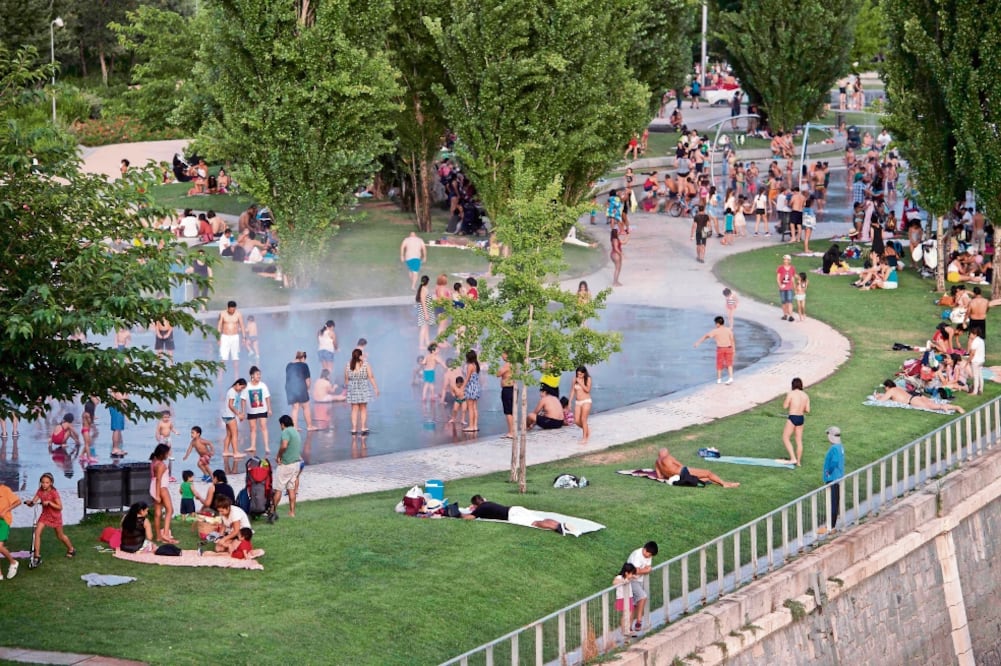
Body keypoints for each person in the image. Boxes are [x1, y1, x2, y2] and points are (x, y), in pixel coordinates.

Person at [24, 473, 76, 565]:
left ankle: (71, 549)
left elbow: (60, 507)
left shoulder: (53, 493)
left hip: (55, 516)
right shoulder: (40, 491)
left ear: (51, 483)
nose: (44, 484)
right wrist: (30, 503)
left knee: (60, 536)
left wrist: (49, 503)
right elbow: (34, 502)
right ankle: (37, 556)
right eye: (43, 482)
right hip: (45, 515)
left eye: (47, 483)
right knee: (37, 533)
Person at [461, 495, 575, 535]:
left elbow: (469, 518)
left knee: (535, 523)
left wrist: (459, 515)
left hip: (512, 515)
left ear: (475, 504)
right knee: (539, 518)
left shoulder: (481, 508)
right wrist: (475, 507)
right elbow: (483, 502)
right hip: (515, 509)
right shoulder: (487, 504)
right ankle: (560, 524)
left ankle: (557, 527)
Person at [269, 414, 303, 520]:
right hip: (296, 464)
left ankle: (272, 511)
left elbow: (284, 445)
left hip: (286, 464)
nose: (280, 427)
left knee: (278, 489)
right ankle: (292, 512)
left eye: (280, 425)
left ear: (283, 424)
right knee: (291, 489)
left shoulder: (286, 432)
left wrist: (278, 456)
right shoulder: (295, 431)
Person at [654, 447, 740, 488]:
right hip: (682, 472)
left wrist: (668, 474)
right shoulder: (669, 457)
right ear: (666, 453)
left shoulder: (657, 462)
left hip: (676, 477)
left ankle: (723, 483)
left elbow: (659, 476)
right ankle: (724, 484)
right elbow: (681, 465)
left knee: (706, 478)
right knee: (708, 473)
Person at [874, 379, 966, 414]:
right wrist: (881, 395)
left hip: (913, 401)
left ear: (887, 387)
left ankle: (948, 407)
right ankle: (955, 407)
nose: (885, 390)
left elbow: (882, 400)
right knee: (932, 404)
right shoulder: (898, 388)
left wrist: (877, 397)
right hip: (916, 396)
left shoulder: (891, 390)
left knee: (932, 406)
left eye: (885, 388)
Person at [626, 541, 659, 632]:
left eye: (651, 555)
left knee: (634, 605)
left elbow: (647, 567)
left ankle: (629, 628)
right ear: (645, 550)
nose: (649, 557)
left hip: (639, 581)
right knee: (643, 597)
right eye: (649, 554)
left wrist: (642, 570)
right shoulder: (637, 555)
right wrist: (645, 570)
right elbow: (636, 571)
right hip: (631, 580)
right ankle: (639, 621)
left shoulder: (649, 556)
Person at [818, 426, 845, 535]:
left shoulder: (834, 448)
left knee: (832, 502)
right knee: (835, 501)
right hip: (838, 477)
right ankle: (831, 525)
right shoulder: (840, 447)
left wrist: (828, 471)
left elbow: (834, 461)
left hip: (833, 478)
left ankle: (831, 526)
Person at [345, 348, 379, 435]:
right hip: (363, 388)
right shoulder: (365, 364)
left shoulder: (348, 365)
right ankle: (363, 427)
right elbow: (371, 377)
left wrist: (349, 387)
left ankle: (354, 428)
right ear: (360, 356)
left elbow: (346, 379)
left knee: (354, 409)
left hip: (353, 389)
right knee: (363, 408)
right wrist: (375, 388)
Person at [694, 316, 736, 385]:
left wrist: (698, 342)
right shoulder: (728, 330)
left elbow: (706, 336)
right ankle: (731, 378)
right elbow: (732, 340)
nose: (715, 324)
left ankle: (719, 380)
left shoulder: (715, 331)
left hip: (720, 349)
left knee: (719, 364)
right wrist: (734, 350)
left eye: (715, 323)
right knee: (729, 364)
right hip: (729, 348)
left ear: (718, 323)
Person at [149, 444, 176, 544]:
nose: (168, 455)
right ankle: (165, 534)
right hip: (161, 488)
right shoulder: (161, 465)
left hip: (153, 487)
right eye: (167, 453)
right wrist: (157, 495)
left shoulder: (153, 462)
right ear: (162, 454)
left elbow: (155, 479)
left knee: (158, 513)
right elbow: (159, 480)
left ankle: (158, 537)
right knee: (170, 510)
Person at [242, 366, 272, 455]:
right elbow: (243, 399)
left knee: (263, 427)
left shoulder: (263, 385)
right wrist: (243, 411)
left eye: (260, 374)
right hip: (251, 411)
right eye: (257, 374)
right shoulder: (247, 386)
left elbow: (267, 397)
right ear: (252, 375)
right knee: (252, 428)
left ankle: (266, 446)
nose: (259, 376)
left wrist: (269, 409)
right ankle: (253, 446)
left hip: (262, 410)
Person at [781, 378, 811, 466]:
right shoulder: (805, 395)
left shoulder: (791, 393)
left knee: (785, 438)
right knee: (798, 440)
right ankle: (798, 462)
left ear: (792, 385)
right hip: (801, 418)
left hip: (792, 417)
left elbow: (785, 406)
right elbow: (807, 410)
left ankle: (793, 458)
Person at [285, 350, 316, 431]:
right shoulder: (304, 365)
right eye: (304, 359)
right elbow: (308, 381)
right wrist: (308, 389)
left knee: (295, 408)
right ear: (302, 358)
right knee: (306, 406)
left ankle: (295, 427)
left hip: (290, 388)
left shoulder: (288, 365)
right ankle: (309, 426)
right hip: (300, 387)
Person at [217, 301, 246, 377]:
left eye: (234, 309)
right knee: (223, 357)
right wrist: (218, 338)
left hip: (235, 337)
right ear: (228, 308)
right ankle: (220, 376)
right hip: (225, 337)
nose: (232, 311)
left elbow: (242, 325)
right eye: (231, 310)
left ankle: (236, 376)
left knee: (235, 357)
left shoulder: (238, 314)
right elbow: (219, 326)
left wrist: (244, 337)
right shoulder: (222, 314)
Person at [221, 378, 247, 459]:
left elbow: (234, 405)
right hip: (230, 415)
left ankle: (225, 451)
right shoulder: (232, 392)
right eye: (241, 387)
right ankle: (235, 452)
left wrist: (239, 413)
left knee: (229, 434)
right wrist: (238, 415)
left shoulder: (232, 391)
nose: (241, 390)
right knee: (235, 434)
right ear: (237, 384)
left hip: (226, 415)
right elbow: (231, 405)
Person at [0, 482, 21, 579]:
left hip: (3, 521)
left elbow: (18, 502)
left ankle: (13, 562)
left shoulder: (5, 490)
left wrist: (5, 511)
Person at [613, 562, 638, 637]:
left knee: (629, 614)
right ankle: (624, 630)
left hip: (629, 597)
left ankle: (626, 629)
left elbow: (633, 576)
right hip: (622, 598)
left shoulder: (628, 577)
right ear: (626, 573)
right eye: (631, 573)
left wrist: (632, 577)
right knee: (625, 615)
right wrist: (623, 581)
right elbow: (614, 582)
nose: (632, 575)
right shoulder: (619, 577)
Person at [571, 366, 592, 444]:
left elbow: (587, 390)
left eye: (580, 374)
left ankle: (584, 438)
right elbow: (573, 391)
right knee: (576, 421)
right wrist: (569, 402)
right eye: (578, 374)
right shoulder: (575, 379)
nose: (579, 376)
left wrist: (580, 382)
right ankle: (587, 430)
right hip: (578, 402)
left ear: (584, 373)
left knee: (583, 419)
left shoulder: (588, 379)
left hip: (586, 401)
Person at [497, 351, 515, 439]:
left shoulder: (507, 365)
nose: (502, 356)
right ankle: (512, 431)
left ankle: (511, 432)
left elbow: (498, 374)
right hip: (512, 389)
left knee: (508, 411)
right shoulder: (513, 365)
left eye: (503, 354)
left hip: (507, 389)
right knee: (511, 411)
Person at [463, 350, 481, 433]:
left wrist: (462, 387)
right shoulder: (476, 365)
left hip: (471, 387)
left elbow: (467, 378)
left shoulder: (470, 366)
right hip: (476, 386)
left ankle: (471, 426)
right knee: (474, 407)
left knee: (470, 408)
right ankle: (475, 425)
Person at [776, 254, 796, 321]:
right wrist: (780, 286)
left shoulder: (792, 268)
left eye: (786, 260)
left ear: (789, 261)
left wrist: (794, 287)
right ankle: (785, 315)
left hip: (789, 287)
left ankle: (791, 316)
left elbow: (792, 278)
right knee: (784, 302)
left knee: (790, 301)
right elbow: (778, 278)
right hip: (782, 287)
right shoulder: (780, 268)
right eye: (784, 259)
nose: (785, 261)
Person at [415, 275, 432, 350]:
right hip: (424, 311)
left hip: (426, 311)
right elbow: (423, 302)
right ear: (427, 282)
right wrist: (426, 314)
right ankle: (421, 345)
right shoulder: (423, 289)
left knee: (426, 327)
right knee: (423, 328)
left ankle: (427, 342)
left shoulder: (424, 288)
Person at [968, 327, 985, 395]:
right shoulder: (981, 340)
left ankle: (975, 392)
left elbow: (972, 353)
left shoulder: (975, 342)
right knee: (980, 375)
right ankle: (981, 389)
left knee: (975, 376)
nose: (969, 335)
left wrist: (969, 360)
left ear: (975, 334)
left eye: (970, 334)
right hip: (981, 360)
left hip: (976, 361)